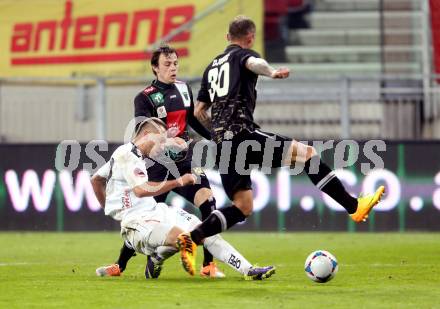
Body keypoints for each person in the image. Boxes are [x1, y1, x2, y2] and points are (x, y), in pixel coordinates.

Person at [175, 15, 385, 273]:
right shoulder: (243, 56)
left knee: (243, 206)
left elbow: (198, 112)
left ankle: (192, 237)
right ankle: (354, 206)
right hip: (243, 136)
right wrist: (272, 72)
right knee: (307, 154)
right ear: (250, 37)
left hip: (224, 146)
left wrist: (216, 137)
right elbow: (254, 62)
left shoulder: (211, 68)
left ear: (227, 37)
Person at [91, 118, 275, 280]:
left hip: (157, 210)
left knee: (202, 231)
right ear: (147, 135)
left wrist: (107, 207)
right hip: (137, 222)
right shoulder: (128, 155)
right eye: (161, 141)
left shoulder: (127, 154)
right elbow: (141, 190)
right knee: (182, 236)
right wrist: (178, 181)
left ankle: (248, 269)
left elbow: (96, 179)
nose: (163, 146)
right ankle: (170, 252)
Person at [97, 45, 224, 278]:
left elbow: (191, 120)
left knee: (208, 202)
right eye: (167, 64)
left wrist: (214, 137)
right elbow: (145, 133)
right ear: (155, 68)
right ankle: (122, 265)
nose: (173, 68)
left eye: (175, 63)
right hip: (156, 166)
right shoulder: (144, 98)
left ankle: (208, 265)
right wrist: (169, 142)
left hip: (185, 162)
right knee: (148, 218)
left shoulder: (185, 89)